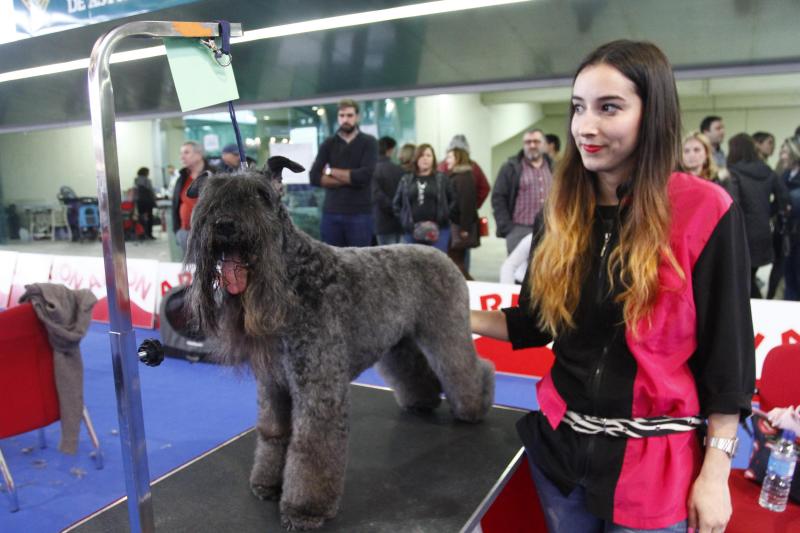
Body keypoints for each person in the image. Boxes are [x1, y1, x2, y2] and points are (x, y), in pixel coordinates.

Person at [471, 40, 755, 533]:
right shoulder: (559, 212)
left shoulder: (705, 210)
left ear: (653, 113)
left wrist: (716, 472)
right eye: (579, 107)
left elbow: (727, 361)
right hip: (561, 455)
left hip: (656, 469)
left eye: (609, 108)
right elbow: (537, 323)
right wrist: (444, 309)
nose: (586, 126)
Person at [726, 133, 790, 299]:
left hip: (742, 233)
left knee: (743, 277)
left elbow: (734, 204)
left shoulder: (733, 173)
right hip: (763, 230)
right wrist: (768, 211)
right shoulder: (767, 171)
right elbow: (784, 197)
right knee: (749, 275)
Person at [309, 99, 378, 247]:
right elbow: (314, 177)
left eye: (349, 115)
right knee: (332, 265)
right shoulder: (328, 143)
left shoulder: (369, 142)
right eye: (342, 115)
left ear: (357, 117)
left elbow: (365, 176)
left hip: (360, 213)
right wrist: (351, 178)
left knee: (360, 264)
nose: (345, 119)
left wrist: (330, 171)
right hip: (332, 212)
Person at [491, 128, 554, 254]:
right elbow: (498, 197)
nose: (532, 145)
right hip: (519, 230)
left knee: (547, 270)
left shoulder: (553, 166)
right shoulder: (510, 167)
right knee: (518, 272)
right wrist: (508, 228)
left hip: (548, 229)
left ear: (544, 144)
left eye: (536, 141)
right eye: (528, 142)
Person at [392, 144, 454, 253]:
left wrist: (445, 216)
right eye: (421, 155)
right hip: (411, 232)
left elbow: (453, 200)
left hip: (440, 231)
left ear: (433, 159)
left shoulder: (442, 179)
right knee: (413, 266)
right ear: (416, 159)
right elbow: (396, 204)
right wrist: (404, 220)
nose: (425, 158)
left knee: (437, 265)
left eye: (428, 155)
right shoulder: (406, 180)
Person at [172, 141, 212, 257]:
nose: (182, 157)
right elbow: (177, 203)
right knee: (189, 268)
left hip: (208, 233)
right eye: (181, 153)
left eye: (186, 152)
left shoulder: (214, 175)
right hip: (185, 232)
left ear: (199, 155)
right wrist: (177, 230)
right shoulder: (182, 177)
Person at [444, 146, 480, 278]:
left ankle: (470, 286)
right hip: (458, 225)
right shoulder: (459, 176)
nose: (446, 160)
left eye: (449, 157)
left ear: (458, 158)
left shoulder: (463, 178)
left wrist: (464, 228)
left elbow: (466, 204)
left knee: (456, 262)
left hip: (459, 226)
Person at [436, 134, 491, 208]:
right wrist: (474, 205)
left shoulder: (443, 166)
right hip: (465, 212)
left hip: (450, 213)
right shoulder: (474, 167)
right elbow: (485, 188)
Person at [778, 137, 800, 300]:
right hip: (788, 233)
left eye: (785, 151)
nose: (781, 155)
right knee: (789, 274)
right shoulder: (785, 174)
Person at [371, 136, 405, 245]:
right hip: (400, 222)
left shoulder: (371, 170)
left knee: (385, 259)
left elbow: (376, 195)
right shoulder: (400, 170)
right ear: (390, 150)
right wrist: (396, 209)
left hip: (381, 222)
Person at [134, 167, 157, 240]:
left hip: (139, 201)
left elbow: (135, 191)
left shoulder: (136, 180)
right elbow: (151, 191)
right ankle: (149, 234)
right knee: (150, 217)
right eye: (148, 172)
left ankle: (142, 234)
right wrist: (155, 198)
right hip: (148, 201)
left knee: (141, 218)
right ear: (145, 172)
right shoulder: (147, 180)